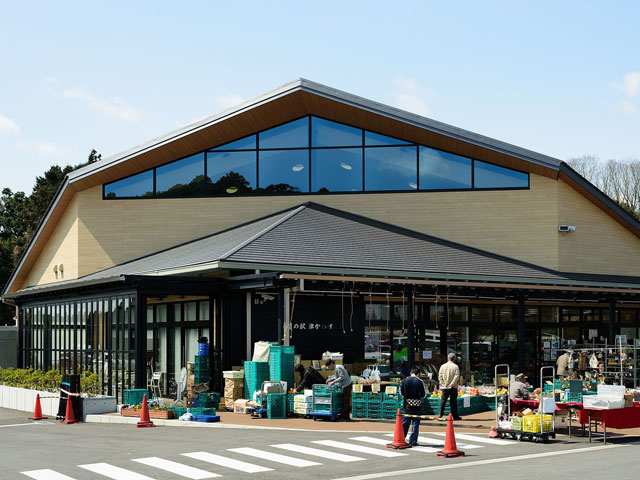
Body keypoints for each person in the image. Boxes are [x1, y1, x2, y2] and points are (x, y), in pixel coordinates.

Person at [399, 367, 426, 446]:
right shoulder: (420, 381)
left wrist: (406, 397)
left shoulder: (404, 381)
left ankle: (402, 438)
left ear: (411, 373)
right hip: (417, 404)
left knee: (405, 422)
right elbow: (423, 394)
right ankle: (413, 441)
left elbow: (400, 392)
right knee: (415, 423)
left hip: (407, 403)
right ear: (418, 374)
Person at [438, 353, 461, 420]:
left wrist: (443, 384)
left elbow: (440, 376)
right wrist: (451, 384)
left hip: (445, 386)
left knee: (443, 400)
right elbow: (456, 376)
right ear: (454, 359)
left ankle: (440, 414)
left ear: (448, 358)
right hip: (453, 387)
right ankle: (455, 416)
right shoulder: (455, 366)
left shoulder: (442, 366)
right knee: (453, 402)